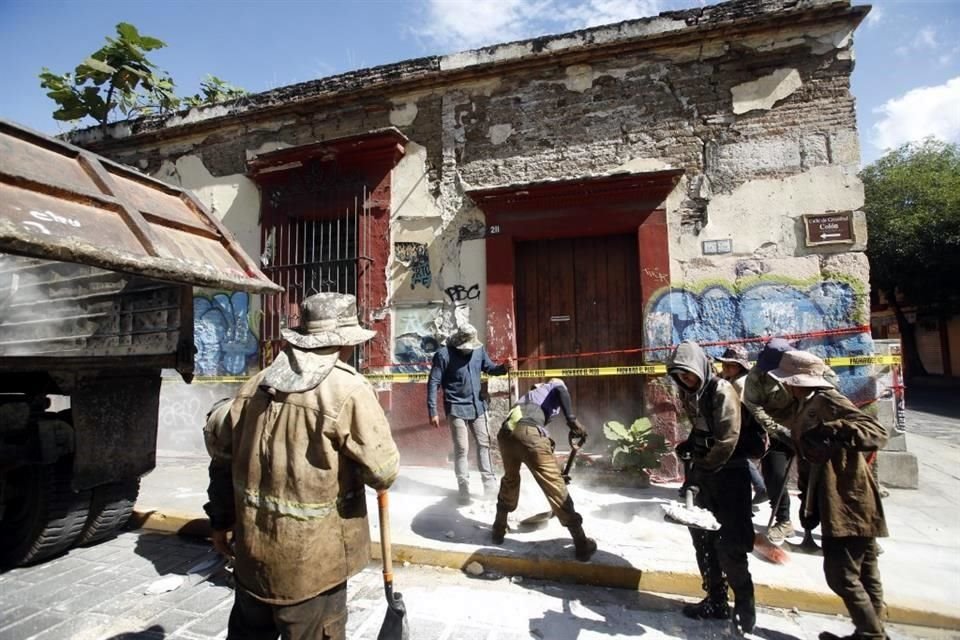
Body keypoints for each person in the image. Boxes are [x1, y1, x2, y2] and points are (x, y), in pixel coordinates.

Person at [203, 292, 400, 640]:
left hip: (252, 561)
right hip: (313, 571)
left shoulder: (254, 384)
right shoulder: (348, 389)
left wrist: (220, 521)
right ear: (344, 344)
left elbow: (221, 461)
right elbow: (383, 472)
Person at [768, 350, 889, 640]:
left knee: (841, 574)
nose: (786, 385)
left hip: (848, 498)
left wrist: (833, 430)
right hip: (832, 495)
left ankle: (872, 635)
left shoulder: (828, 400)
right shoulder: (805, 403)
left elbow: (876, 432)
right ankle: (871, 630)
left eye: (789, 381)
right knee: (866, 571)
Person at [668, 341, 756, 634]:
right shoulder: (692, 393)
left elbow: (728, 439)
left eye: (689, 374)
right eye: (681, 375)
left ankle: (745, 609)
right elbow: (701, 428)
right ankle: (716, 600)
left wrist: (703, 466)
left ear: (701, 368)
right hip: (705, 475)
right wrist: (690, 446)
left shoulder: (721, 390)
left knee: (729, 546)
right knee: (702, 542)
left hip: (730, 477)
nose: (686, 380)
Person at [491, 378, 597, 561]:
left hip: (506, 435)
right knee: (556, 488)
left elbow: (530, 440)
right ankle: (581, 544)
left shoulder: (527, 398)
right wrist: (572, 421)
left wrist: (556, 469)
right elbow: (560, 388)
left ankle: (498, 528)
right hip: (528, 434)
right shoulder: (550, 387)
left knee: (510, 479)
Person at [427, 322, 512, 505]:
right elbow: (433, 383)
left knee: (484, 444)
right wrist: (432, 410)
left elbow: (490, 368)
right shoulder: (443, 355)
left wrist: (503, 367)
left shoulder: (478, 350)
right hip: (456, 407)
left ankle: (489, 486)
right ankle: (463, 488)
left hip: (478, 406)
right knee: (462, 449)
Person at [742, 338, 799, 545]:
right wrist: (779, 431)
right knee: (774, 475)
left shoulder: (801, 366)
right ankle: (783, 520)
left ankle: (833, 530)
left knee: (817, 483)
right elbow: (754, 406)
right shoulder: (757, 375)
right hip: (775, 432)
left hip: (807, 429)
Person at [717, 345, 768, 505]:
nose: (725, 367)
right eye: (724, 364)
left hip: (742, 427)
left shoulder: (740, 383)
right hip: (739, 426)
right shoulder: (732, 379)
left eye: (729, 365)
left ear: (739, 366)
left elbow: (742, 408)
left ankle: (759, 488)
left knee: (737, 457)